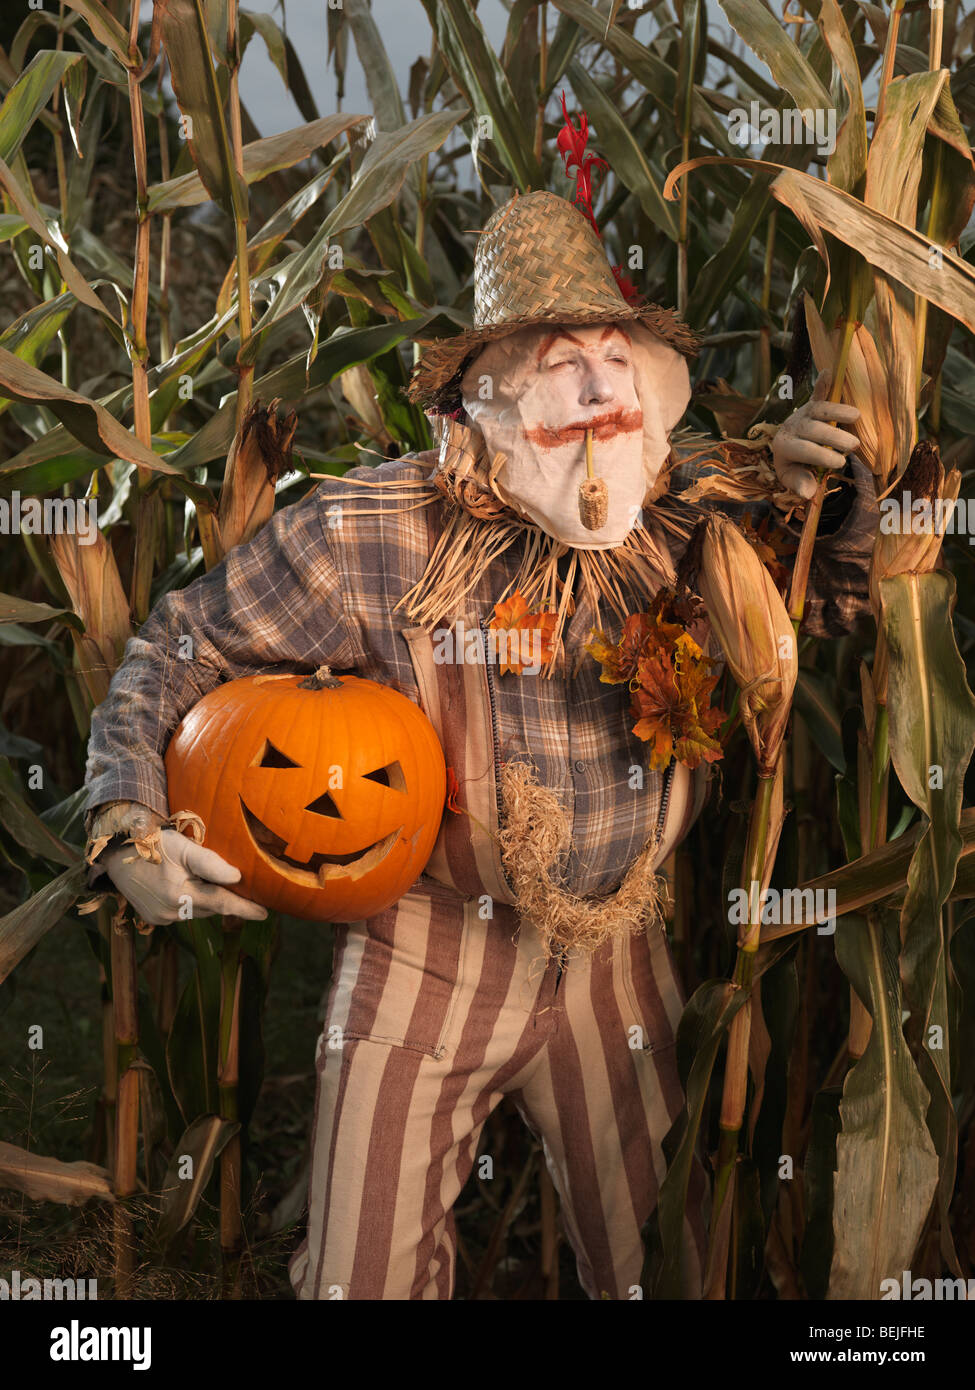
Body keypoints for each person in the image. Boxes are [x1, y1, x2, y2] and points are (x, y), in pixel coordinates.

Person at [84, 190, 875, 1300]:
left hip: (618, 956)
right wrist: (127, 817)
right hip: (430, 951)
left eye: (615, 354)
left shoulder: (682, 511)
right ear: (484, 392)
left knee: (668, 1266)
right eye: (560, 360)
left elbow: (825, 613)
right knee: (359, 1281)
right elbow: (176, 647)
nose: (597, 387)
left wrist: (820, 501)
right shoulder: (371, 532)